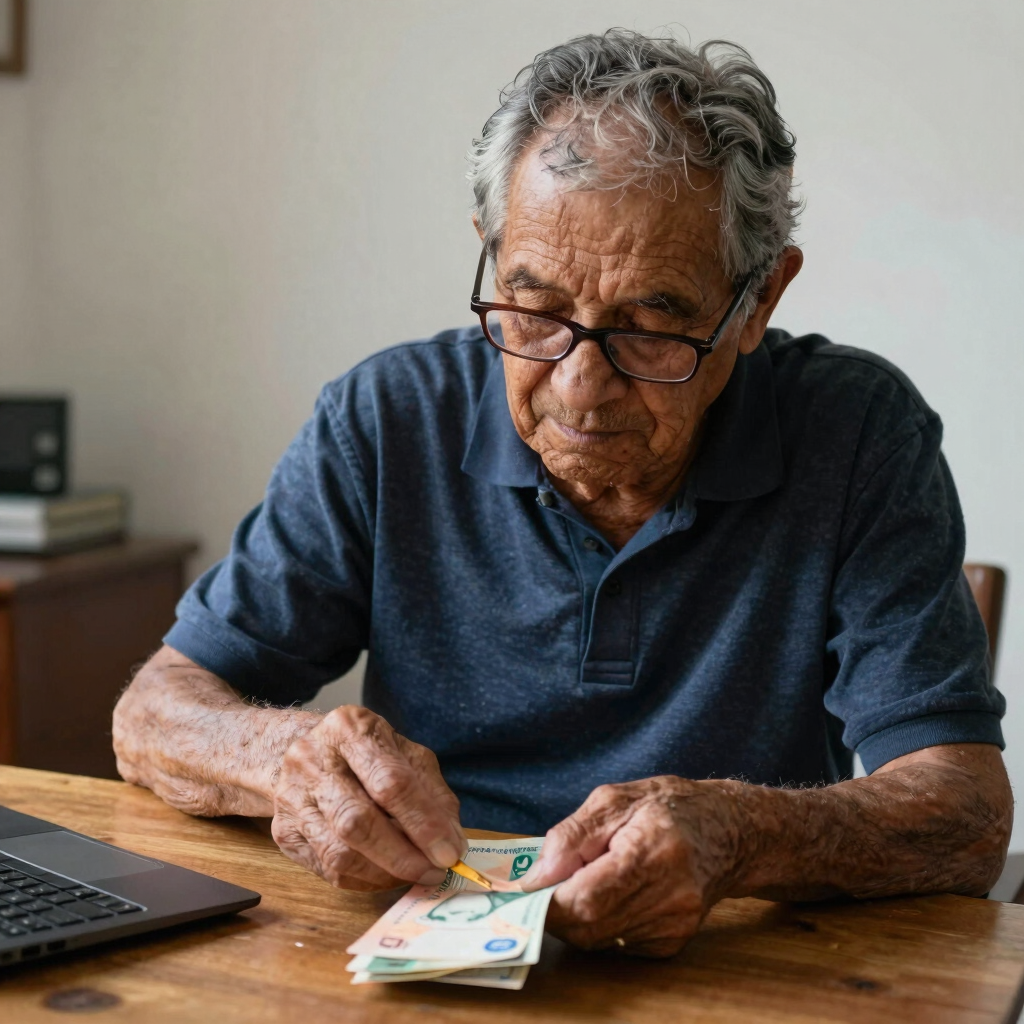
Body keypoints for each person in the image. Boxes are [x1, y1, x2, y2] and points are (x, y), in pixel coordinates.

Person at [113, 29, 1012, 958]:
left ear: (758, 304)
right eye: (534, 310)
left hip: (728, 959)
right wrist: (283, 765)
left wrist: (735, 834)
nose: (578, 385)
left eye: (648, 328)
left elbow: (968, 808)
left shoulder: (857, 433)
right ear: (491, 255)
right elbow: (153, 714)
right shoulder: (388, 419)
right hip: (422, 954)